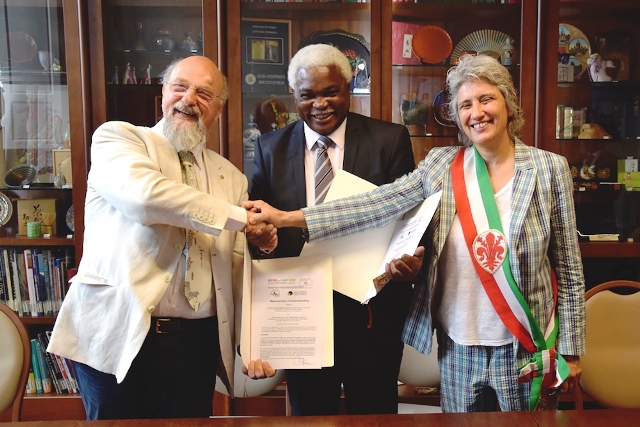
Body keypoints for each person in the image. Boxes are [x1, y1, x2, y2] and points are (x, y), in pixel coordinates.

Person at [245, 54, 585, 412]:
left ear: (508, 104)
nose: (477, 113)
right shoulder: (441, 165)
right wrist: (286, 217)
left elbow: (569, 269)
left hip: (526, 345)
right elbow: (374, 204)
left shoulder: (549, 169)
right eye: (465, 104)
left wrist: (572, 350)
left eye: (486, 99)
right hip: (458, 345)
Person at [47, 56, 276, 420]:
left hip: (196, 343)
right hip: (118, 329)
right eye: (180, 87)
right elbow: (146, 198)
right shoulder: (120, 139)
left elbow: (236, 268)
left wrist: (252, 342)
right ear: (163, 93)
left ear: (219, 109)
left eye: (204, 93)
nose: (189, 99)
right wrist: (239, 217)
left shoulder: (231, 178)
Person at [248, 43, 421, 416]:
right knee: (310, 415)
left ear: (348, 87)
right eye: (307, 95)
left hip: (371, 310)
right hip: (300, 310)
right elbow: (260, 231)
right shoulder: (270, 148)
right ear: (294, 94)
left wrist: (405, 261)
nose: (320, 104)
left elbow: (408, 219)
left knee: (374, 415)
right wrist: (264, 241)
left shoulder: (388, 139)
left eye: (331, 92)